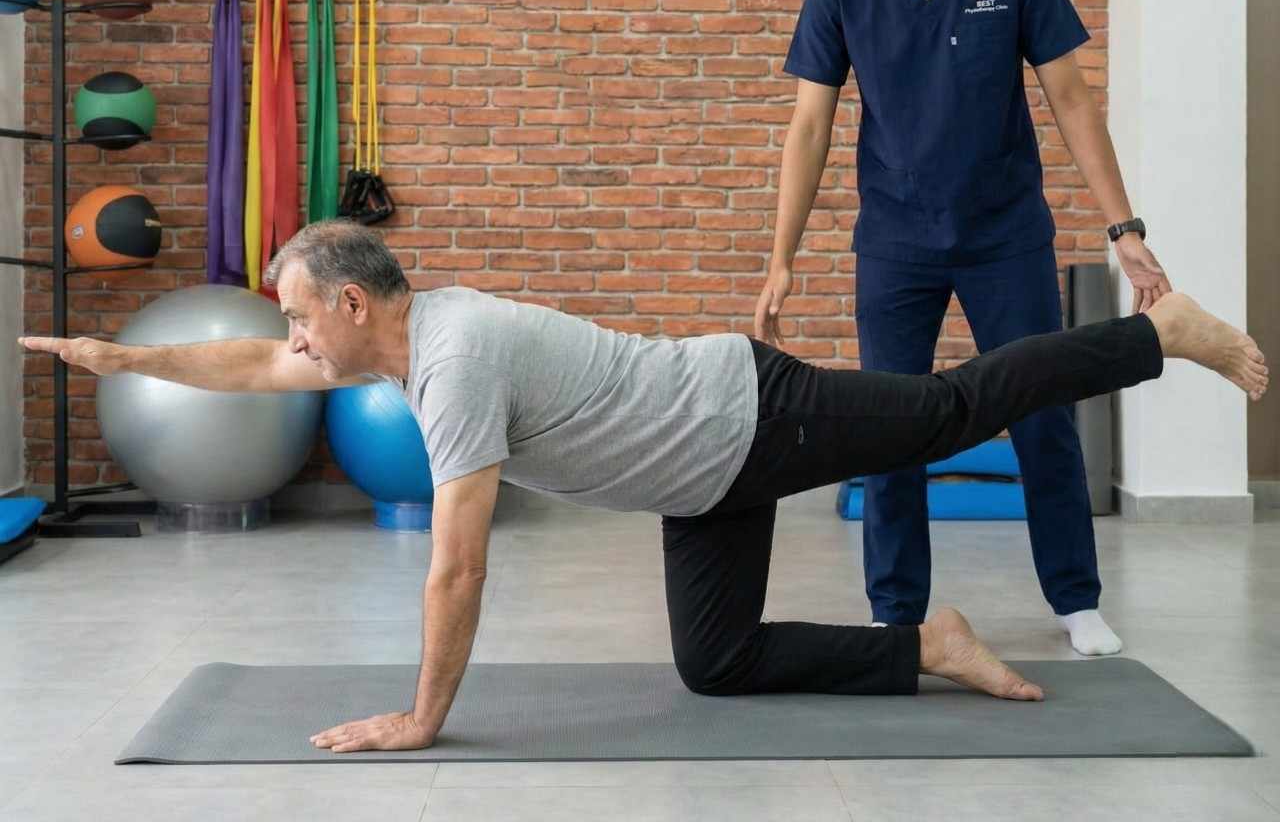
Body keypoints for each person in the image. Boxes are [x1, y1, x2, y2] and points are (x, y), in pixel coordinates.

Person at [20, 220, 1266, 754]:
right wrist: (124, 356)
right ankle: (925, 644)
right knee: (714, 661)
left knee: (944, 407)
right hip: (698, 472)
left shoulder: (449, 363)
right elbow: (247, 360)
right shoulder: (398, 338)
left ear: (350, 304)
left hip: (747, 411)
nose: (289, 339)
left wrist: (421, 719)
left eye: (298, 317)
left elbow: (459, 563)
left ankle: (1168, 335)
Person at [755, 0, 1169, 657]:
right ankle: (896, 608)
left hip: (1005, 234)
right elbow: (809, 125)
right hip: (895, 239)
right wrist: (781, 258)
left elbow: (1071, 99)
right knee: (891, 422)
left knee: (1041, 410)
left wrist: (1121, 226)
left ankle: (1076, 599)